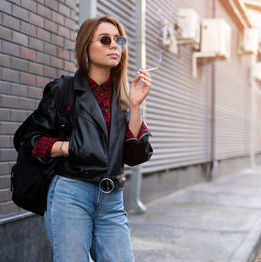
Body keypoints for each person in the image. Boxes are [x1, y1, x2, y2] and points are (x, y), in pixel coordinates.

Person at [23, 15, 152, 262]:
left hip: (112, 200)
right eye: (105, 40)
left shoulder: (126, 98)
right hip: (71, 194)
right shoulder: (64, 89)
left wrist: (135, 106)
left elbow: (135, 156)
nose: (115, 45)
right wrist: (67, 147)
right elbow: (31, 140)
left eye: (119, 40)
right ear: (86, 46)